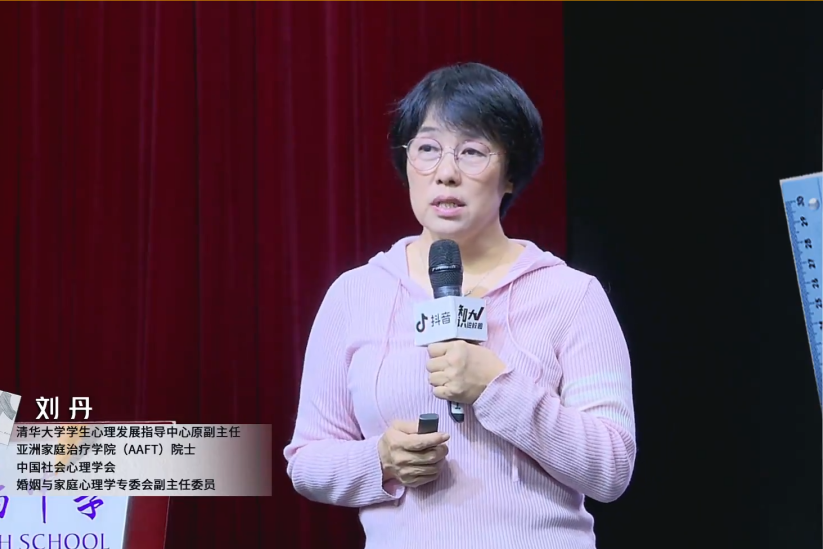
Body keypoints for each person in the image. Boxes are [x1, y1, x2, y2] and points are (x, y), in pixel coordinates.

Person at [283, 62, 636, 549]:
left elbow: (611, 466)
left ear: (510, 173)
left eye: (472, 152)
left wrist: (497, 388)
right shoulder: (354, 294)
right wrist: (380, 460)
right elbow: (307, 461)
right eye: (427, 149)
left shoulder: (571, 296)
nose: (446, 174)